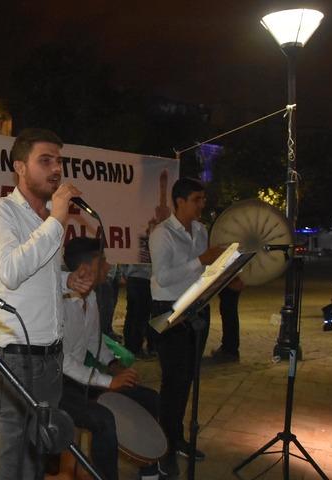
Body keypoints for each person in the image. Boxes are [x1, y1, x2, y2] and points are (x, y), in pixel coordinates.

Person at [0, 127, 91, 480]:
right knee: (14, 459)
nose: (56, 169)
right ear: (20, 167)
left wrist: (66, 281)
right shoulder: (1, 212)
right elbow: (11, 272)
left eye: (59, 161)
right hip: (17, 356)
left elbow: (37, 279)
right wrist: (58, 219)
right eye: (45, 160)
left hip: (50, 356)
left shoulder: (45, 219)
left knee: (39, 455)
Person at [60, 237, 161, 480]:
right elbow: (61, 360)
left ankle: (150, 470)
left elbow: (96, 342)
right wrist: (107, 382)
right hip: (60, 384)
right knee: (103, 419)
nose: (108, 266)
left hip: (84, 378)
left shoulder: (92, 297)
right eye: (102, 261)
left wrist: (114, 366)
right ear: (85, 268)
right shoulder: (58, 303)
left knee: (150, 399)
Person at [149, 177, 224, 477]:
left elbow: (206, 271)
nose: (202, 204)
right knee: (172, 381)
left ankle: (178, 437)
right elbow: (164, 277)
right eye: (196, 199)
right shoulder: (161, 234)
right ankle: (164, 447)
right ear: (179, 201)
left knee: (188, 379)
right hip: (169, 311)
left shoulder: (201, 230)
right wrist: (200, 260)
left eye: (203, 199)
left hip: (195, 310)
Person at [119, 263, 157, 358]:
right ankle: (135, 348)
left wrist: (125, 273)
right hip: (146, 279)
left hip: (134, 278)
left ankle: (130, 346)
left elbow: (122, 257)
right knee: (141, 316)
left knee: (133, 314)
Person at [211, 278, 243, 362]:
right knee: (228, 312)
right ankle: (229, 348)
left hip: (230, 279)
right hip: (230, 279)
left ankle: (230, 350)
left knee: (229, 312)